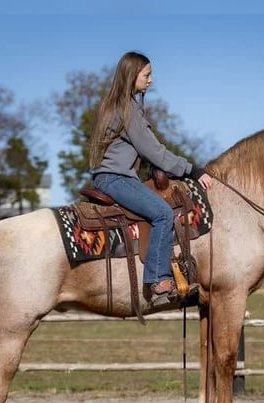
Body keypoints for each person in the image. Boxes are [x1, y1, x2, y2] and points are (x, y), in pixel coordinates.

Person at [89, 51, 213, 303]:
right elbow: (155, 152)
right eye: (147, 74)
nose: (151, 80)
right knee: (163, 213)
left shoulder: (112, 105)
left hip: (111, 176)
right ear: (132, 75)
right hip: (116, 179)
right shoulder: (128, 111)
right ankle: (158, 281)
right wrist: (192, 169)